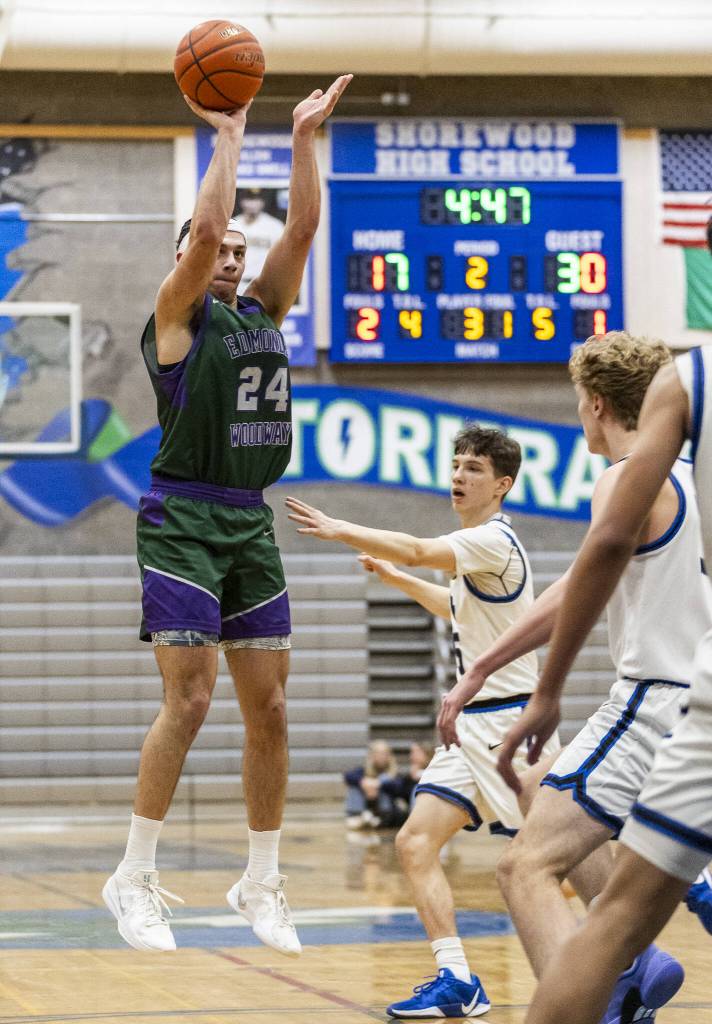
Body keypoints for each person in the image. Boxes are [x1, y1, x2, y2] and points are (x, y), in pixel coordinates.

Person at [101, 74, 352, 956]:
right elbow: (206, 228)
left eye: (243, 250)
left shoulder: (264, 311)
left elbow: (308, 229)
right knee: (193, 699)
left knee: (271, 711)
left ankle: (263, 878)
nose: (232, 255)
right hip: (183, 517)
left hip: (249, 518)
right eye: (217, 248)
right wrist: (230, 133)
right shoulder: (175, 319)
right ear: (185, 261)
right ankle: (134, 873)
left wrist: (305, 137)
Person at [286, 426, 609, 1020]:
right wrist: (395, 580)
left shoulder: (490, 540)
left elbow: (411, 546)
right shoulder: (475, 551)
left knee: (563, 862)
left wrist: (342, 529)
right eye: (456, 465)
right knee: (413, 843)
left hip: (512, 725)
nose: (458, 476)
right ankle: (457, 977)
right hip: (470, 731)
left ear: (503, 485)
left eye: (474, 469)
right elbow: (454, 608)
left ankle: (622, 962)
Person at [439, 333, 705, 1021]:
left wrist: (528, 685)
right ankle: (640, 955)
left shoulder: (625, 478)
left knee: (522, 867)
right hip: (690, 694)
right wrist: (485, 670)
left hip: (655, 698)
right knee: (535, 780)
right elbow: (572, 586)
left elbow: (588, 574)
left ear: (594, 406)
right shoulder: (688, 477)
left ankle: (595, 995)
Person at [232, 188, 286, 288]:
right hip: (238, 283)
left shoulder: (275, 226)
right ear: (242, 202)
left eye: (257, 200)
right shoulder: (234, 224)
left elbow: (282, 258)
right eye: (249, 200)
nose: (253, 204)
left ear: (262, 202)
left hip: (264, 283)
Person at [344, 740, 400, 828]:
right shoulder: (363, 771)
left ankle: (380, 818)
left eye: (384, 754)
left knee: (385, 780)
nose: (381, 757)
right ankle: (356, 815)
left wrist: (378, 784)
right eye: (378, 754)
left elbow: (398, 787)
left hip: (386, 811)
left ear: (389, 756)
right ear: (372, 756)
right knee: (354, 788)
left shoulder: (394, 774)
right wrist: (364, 783)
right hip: (365, 806)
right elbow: (348, 776)